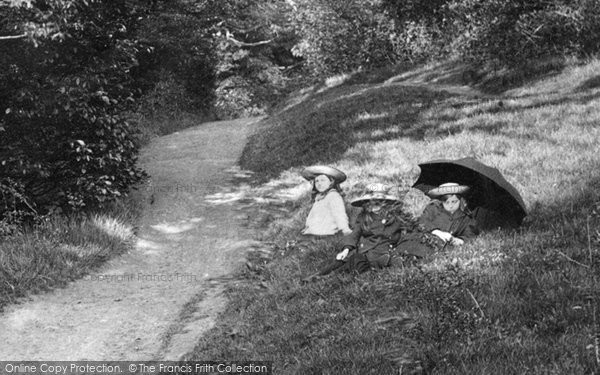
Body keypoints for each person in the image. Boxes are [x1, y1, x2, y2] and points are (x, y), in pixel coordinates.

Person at [302, 183, 415, 280]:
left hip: (385, 253)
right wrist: (346, 250)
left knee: (354, 265)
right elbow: (354, 234)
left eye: (378, 202)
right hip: (366, 251)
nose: (374, 206)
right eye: (370, 203)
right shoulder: (364, 217)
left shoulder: (395, 218)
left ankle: (328, 278)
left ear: (386, 203)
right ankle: (318, 275)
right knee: (343, 260)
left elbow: (409, 231)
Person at [397, 182, 479, 259]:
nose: (450, 205)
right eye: (446, 202)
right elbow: (422, 221)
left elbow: (470, 234)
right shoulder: (433, 208)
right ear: (441, 201)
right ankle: (404, 256)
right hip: (424, 237)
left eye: (454, 202)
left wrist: (460, 240)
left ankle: (416, 257)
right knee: (410, 244)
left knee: (441, 250)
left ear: (460, 200)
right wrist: (436, 231)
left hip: (442, 245)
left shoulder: (465, 218)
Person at [300, 165, 352, 236]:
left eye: (323, 180)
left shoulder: (333, 196)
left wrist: (345, 229)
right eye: (317, 181)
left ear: (331, 182)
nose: (319, 184)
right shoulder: (319, 197)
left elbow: (339, 214)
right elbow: (312, 215)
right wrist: (307, 227)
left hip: (327, 232)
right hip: (315, 231)